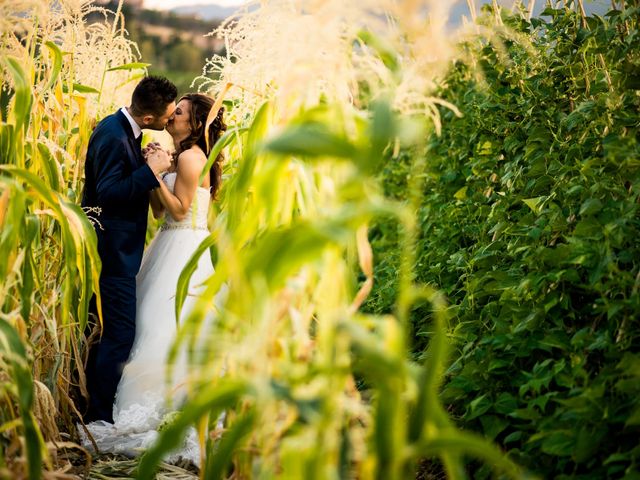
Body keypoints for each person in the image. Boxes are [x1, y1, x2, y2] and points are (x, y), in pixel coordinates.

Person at [81, 94, 228, 464]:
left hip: (184, 250)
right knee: (148, 324)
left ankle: (172, 410)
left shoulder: (194, 158)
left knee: (168, 326)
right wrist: (154, 172)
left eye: (178, 112)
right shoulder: (180, 156)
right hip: (165, 245)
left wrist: (156, 174)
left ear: (194, 124)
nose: (171, 115)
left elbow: (180, 211)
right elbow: (160, 208)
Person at [81, 76, 177, 424]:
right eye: (167, 118)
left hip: (119, 251)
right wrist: (150, 172)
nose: (169, 123)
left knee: (107, 331)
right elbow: (108, 195)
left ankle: (93, 408)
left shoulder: (126, 130)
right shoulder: (112, 133)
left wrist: (146, 164)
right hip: (111, 251)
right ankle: (99, 419)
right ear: (149, 119)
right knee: (120, 334)